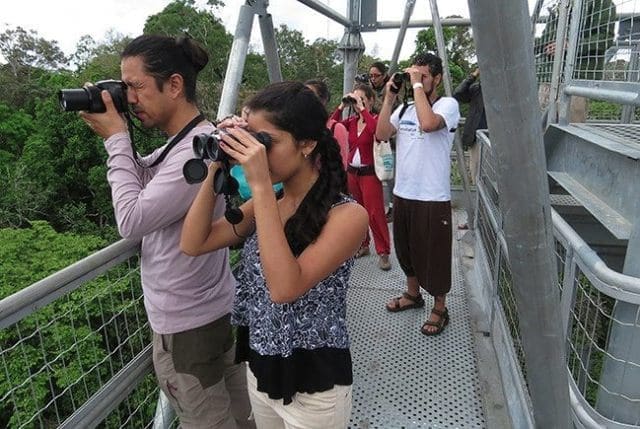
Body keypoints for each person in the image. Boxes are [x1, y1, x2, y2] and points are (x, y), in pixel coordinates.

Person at [79, 34, 253, 428]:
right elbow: (148, 176)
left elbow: (132, 219)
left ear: (174, 85)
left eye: (135, 87)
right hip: (212, 309)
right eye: (124, 89)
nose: (130, 98)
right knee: (244, 418)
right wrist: (114, 133)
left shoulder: (195, 148)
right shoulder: (192, 140)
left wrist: (117, 141)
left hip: (188, 326)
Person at [180, 81, 369, 428]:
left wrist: (261, 184)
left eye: (265, 142)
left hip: (314, 383)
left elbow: (284, 288)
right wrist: (217, 163)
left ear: (307, 144)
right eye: (249, 139)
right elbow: (194, 242)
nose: (255, 152)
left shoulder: (348, 216)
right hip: (260, 362)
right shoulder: (270, 204)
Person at [376, 52, 460, 336]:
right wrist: (389, 98)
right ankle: (413, 295)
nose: (418, 80)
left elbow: (428, 124)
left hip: (432, 196)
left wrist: (415, 87)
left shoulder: (448, 105)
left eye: (423, 76)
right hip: (404, 192)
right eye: (415, 74)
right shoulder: (406, 110)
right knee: (406, 248)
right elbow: (381, 133)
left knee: (434, 253)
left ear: (436, 78)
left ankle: (440, 307)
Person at [331, 83, 392, 271]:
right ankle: (363, 244)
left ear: (371, 100)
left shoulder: (375, 119)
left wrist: (363, 109)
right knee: (357, 212)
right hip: (352, 173)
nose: (357, 103)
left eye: (362, 98)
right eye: (355, 99)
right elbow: (330, 125)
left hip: (369, 173)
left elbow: (376, 131)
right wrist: (342, 106)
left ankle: (383, 251)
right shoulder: (350, 122)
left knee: (374, 213)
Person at [535, 0, 616, 121]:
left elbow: (605, 39)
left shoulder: (602, 3)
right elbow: (546, 38)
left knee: (570, 128)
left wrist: (570, 46)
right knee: (540, 129)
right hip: (549, 76)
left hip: (576, 79)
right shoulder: (559, 4)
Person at [304, 79, 349, 170]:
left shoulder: (336, 128)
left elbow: (342, 165)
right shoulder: (298, 128)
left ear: (323, 100)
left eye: (310, 96)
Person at [453, 68, 486, 185]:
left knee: (491, 175)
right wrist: (473, 75)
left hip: (494, 138)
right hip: (476, 138)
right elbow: (458, 94)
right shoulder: (476, 88)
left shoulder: (502, 89)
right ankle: (477, 200)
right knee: (476, 173)